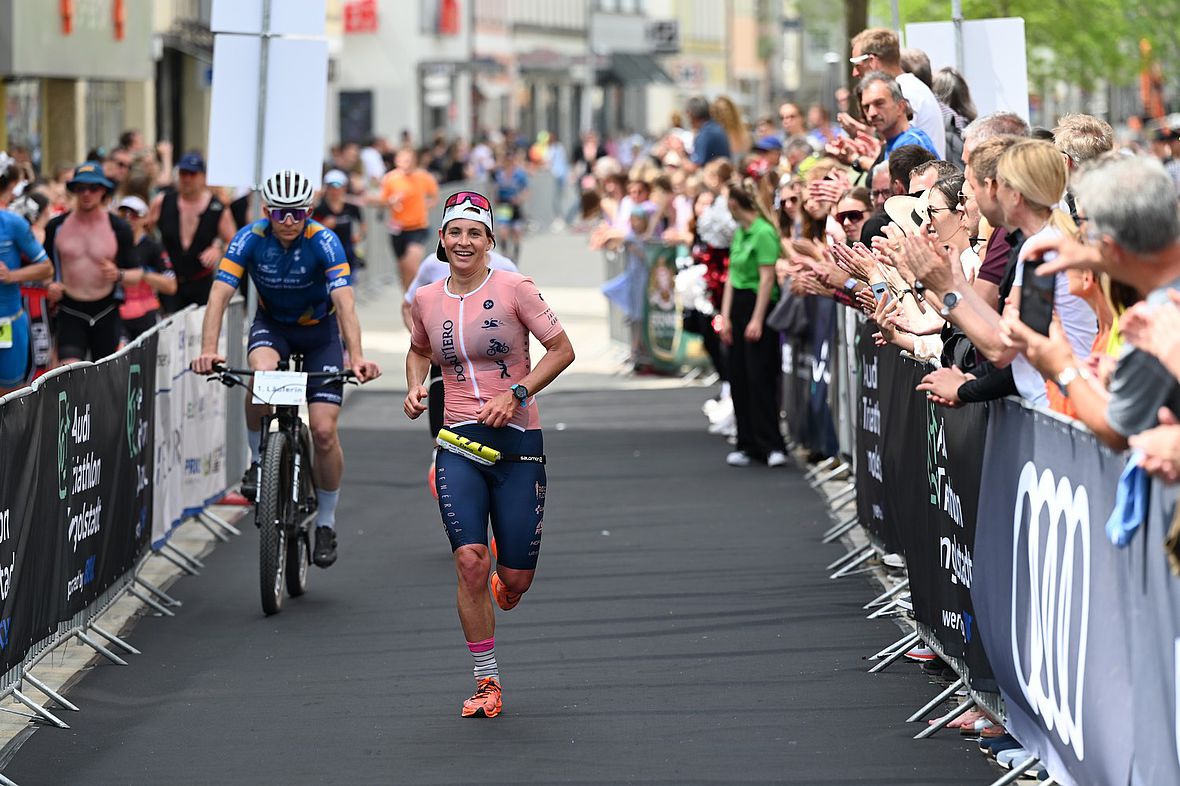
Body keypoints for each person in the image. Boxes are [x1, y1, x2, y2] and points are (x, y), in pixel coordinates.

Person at [403, 190, 575, 718]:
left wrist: (518, 393)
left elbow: (563, 349)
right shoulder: (426, 299)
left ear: (489, 241)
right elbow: (418, 349)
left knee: (514, 580)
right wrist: (415, 387)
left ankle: (509, 582)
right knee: (470, 561)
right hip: (458, 441)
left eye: (473, 233)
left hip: (518, 440)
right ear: (441, 239)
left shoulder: (514, 288)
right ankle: (486, 681)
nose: (463, 241)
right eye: (454, 232)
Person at [190, 169, 381, 568]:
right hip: (272, 327)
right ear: (266, 212)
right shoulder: (249, 238)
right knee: (261, 376)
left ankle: (325, 522)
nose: (289, 221)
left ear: (309, 211)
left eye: (297, 213)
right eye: (280, 214)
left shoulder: (324, 241)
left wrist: (357, 356)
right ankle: (259, 465)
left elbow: (345, 304)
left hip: (319, 335)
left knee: (325, 431)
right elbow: (219, 296)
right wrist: (209, 350)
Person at [43, 161, 144, 364]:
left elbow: (137, 275)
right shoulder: (56, 226)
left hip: (107, 311)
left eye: (93, 188)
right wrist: (49, 285)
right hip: (70, 310)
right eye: (81, 188)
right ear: (74, 190)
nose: (87, 193)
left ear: (103, 190)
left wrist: (119, 274)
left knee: (105, 375)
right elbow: (45, 268)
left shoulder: (119, 227)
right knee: (69, 373)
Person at [720, 184, 787, 468]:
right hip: (738, 307)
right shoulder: (739, 233)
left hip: (758, 305)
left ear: (735, 204)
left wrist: (757, 319)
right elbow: (732, 278)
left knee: (760, 378)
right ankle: (747, 443)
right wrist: (725, 317)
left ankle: (771, 443)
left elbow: (767, 278)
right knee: (740, 378)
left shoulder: (763, 232)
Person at [148, 151, 236, 311]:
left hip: (200, 282)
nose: (187, 179)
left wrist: (218, 249)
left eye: (192, 174)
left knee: (198, 331)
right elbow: (144, 231)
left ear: (203, 177)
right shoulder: (162, 202)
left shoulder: (217, 208)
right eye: (183, 173)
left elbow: (234, 241)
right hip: (169, 283)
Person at [850, 28, 946, 158]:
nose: (854, 73)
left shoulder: (907, 91)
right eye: (867, 107)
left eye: (857, 65)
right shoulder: (909, 87)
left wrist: (858, 160)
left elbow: (905, 161)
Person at [0, 160, 53, 393]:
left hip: (9, 322)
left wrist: (11, 275)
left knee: (8, 398)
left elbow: (46, 268)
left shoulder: (12, 223)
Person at [115, 195, 176, 340]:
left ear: (145, 219)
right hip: (117, 313)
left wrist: (143, 275)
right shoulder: (113, 244)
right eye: (123, 214)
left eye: (134, 215)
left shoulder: (153, 246)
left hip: (146, 314)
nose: (128, 219)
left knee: (143, 361)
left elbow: (171, 285)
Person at [379, 148, 440, 290]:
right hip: (398, 229)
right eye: (402, 160)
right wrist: (392, 200)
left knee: (411, 265)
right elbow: (383, 200)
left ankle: (421, 292)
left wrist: (425, 206)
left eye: (409, 160)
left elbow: (434, 196)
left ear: (414, 161)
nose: (406, 163)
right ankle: (409, 300)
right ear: (397, 161)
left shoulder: (423, 177)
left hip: (418, 226)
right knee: (403, 269)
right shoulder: (390, 178)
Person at [858, 73, 939, 158]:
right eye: (866, 107)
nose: (871, 113)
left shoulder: (913, 144)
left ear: (900, 106)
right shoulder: (892, 144)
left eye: (879, 103)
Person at [313, 169, 366, 281]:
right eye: (331, 187)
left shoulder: (350, 206)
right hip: (327, 250)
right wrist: (324, 225)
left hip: (347, 250)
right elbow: (310, 229)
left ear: (344, 188)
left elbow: (362, 222)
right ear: (326, 189)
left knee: (347, 282)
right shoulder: (320, 208)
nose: (335, 191)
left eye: (338, 187)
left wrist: (359, 236)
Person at [686, 96, 731, 169]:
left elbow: (694, 166)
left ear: (691, 114)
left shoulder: (705, 133)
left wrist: (679, 155)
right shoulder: (716, 127)